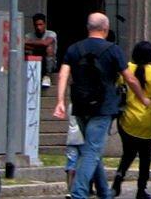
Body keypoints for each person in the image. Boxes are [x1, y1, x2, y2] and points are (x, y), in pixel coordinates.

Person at [54, 11, 128, 199]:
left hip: (80, 105)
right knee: (92, 150)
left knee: (91, 148)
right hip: (103, 107)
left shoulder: (73, 49)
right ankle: (79, 193)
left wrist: (60, 102)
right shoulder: (113, 49)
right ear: (106, 29)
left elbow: (63, 75)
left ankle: (104, 192)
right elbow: (130, 78)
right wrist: (142, 97)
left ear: (88, 28)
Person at [113, 40, 151, 199]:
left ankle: (118, 178)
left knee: (127, 154)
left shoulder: (127, 69)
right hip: (146, 124)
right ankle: (141, 190)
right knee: (145, 157)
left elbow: (119, 86)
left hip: (127, 121)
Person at [26, 13, 59, 87]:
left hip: (49, 63)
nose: (38, 27)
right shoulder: (29, 35)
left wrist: (30, 43)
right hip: (35, 60)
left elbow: (46, 43)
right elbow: (22, 45)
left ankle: (47, 76)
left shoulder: (51, 34)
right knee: (26, 50)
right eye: (36, 25)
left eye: (40, 25)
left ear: (45, 24)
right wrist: (39, 45)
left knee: (49, 48)